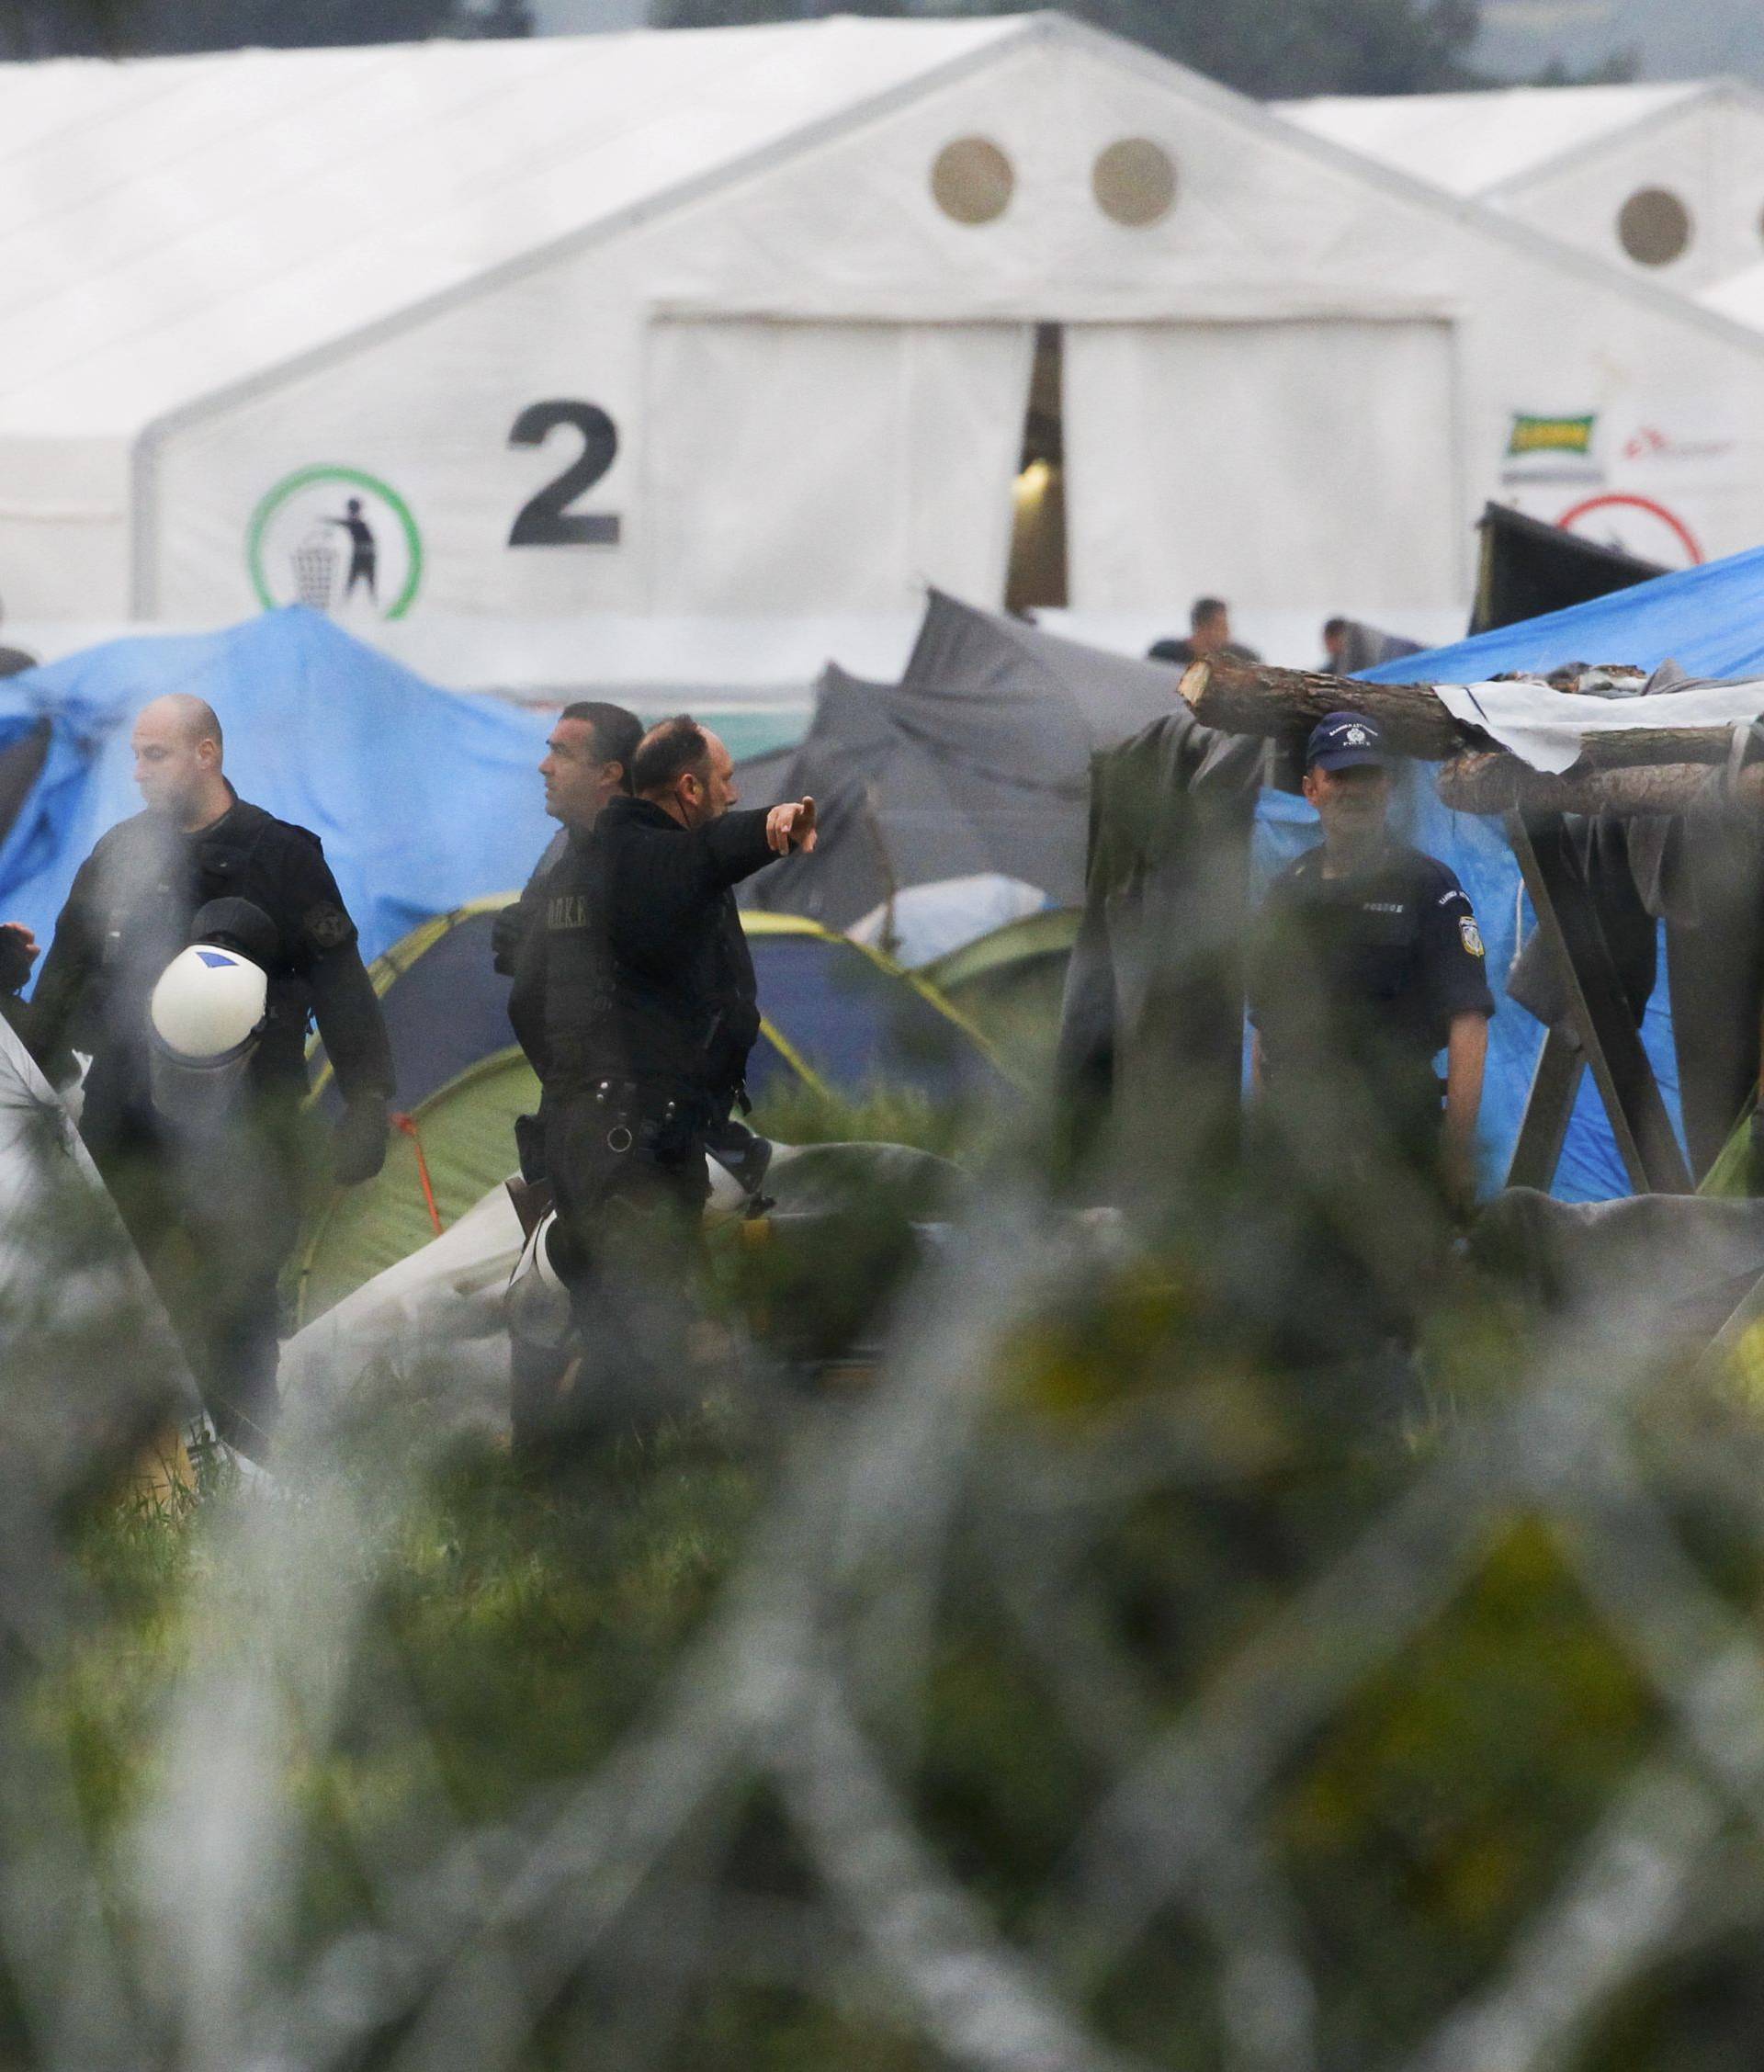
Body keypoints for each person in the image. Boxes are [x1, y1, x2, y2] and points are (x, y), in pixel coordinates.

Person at [0, 693, 393, 1452]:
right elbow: (64, 989)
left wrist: (370, 1094)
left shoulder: (281, 856)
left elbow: (342, 983)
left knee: (239, 1324)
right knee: (118, 1307)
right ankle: (133, 1486)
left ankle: (246, 1489)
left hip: (243, 1131)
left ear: (207, 754)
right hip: (126, 1126)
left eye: (156, 755)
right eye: (137, 754)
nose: (138, 771)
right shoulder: (119, 854)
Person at [523, 714, 816, 1445]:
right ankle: (605, 1499)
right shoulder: (638, 854)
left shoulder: (586, 864)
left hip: (616, 1134)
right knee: (651, 1351)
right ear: (688, 789)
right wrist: (770, 827)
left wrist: (573, 1088)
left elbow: (525, 995)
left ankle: (566, 1491)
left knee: (621, 1340)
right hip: (627, 1150)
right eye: (724, 782)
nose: (734, 791)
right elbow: (709, 854)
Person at [1248, 711, 1494, 1217]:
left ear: (1387, 789)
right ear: (1311, 790)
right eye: (1339, 776)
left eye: (1367, 776)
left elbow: (1468, 1022)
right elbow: (1265, 1032)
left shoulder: (1431, 889)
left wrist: (1457, 1151)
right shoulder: (1288, 893)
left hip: (1397, 1149)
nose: (1354, 791)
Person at [1148, 597, 1261, 672]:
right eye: (1221, 626)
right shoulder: (1165, 654)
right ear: (1202, 627)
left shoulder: (1243, 658)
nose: (1227, 631)